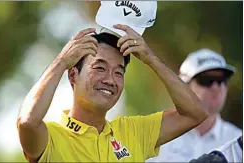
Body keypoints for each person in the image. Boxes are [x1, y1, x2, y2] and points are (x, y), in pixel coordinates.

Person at [17, 1, 207, 162]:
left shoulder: (134, 132)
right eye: (99, 67)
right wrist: (61, 61)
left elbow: (195, 113)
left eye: (119, 72)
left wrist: (151, 59)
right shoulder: (51, 138)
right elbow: (27, 122)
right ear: (73, 75)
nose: (110, 80)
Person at [146, 49, 242, 162]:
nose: (216, 87)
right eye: (207, 80)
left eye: (222, 80)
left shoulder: (238, 141)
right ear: (184, 87)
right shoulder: (158, 137)